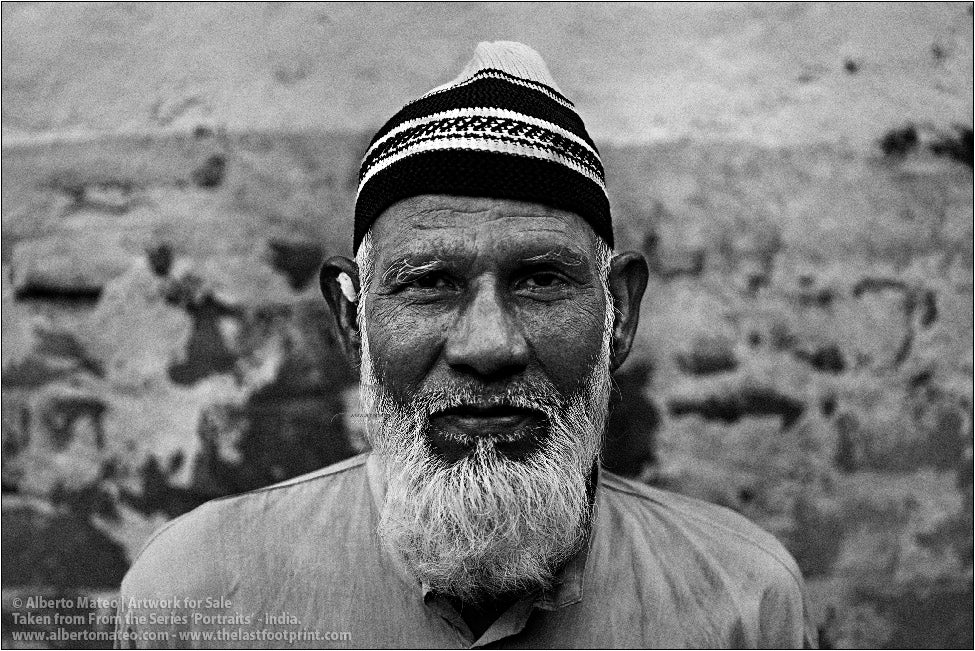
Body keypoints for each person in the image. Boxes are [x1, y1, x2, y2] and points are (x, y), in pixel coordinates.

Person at [117, 41, 817, 649]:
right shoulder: (195, 593)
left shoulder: (743, 605)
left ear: (618, 313)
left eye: (540, 280)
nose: (489, 346)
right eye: (431, 282)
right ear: (351, 318)